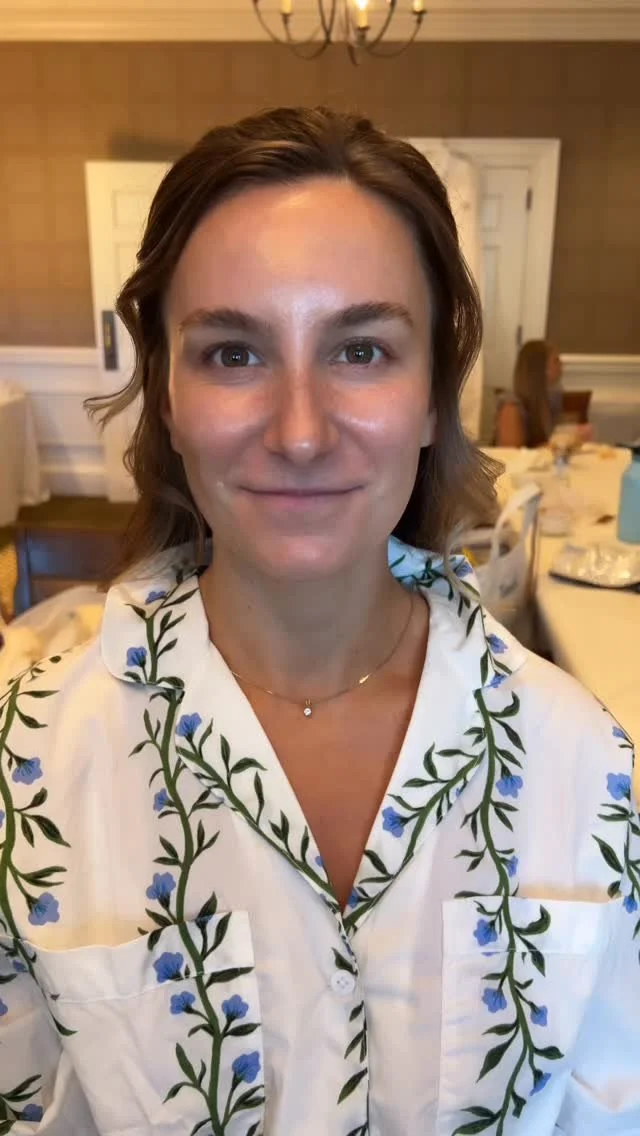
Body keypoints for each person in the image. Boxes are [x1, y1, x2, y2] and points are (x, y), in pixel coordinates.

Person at [0, 107, 638, 1136]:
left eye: (360, 349)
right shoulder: (27, 764)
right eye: (233, 354)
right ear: (168, 396)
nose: (300, 433)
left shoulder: (587, 764)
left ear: (432, 394)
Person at [494, 338, 592, 448]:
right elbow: (511, 453)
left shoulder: (550, 399)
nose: (561, 364)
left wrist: (573, 436)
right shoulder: (511, 406)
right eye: (556, 361)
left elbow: (547, 440)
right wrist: (560, 443)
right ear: (541, 367)